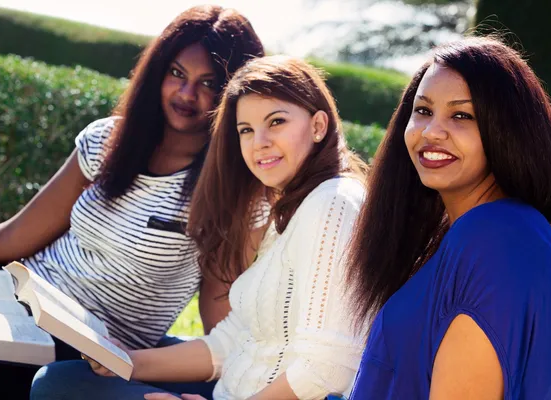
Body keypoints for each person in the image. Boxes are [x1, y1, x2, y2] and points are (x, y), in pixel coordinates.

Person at [0, 5, 264, 398]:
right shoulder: (106, 139)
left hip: (90, 350)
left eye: (208, 82)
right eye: (176, 73)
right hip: (17, 306)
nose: (187, 93)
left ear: (233, 92)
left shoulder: (234, 189)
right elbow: (18, 234)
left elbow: (219, 308)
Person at [30, 55, 368, 400]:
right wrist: (128, 361)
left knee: (59, 387)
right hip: (229, 388)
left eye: (276, 122)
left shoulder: (333, 203)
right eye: (246, 130)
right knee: (67, 380)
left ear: (318, 126)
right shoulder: (292, 208)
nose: (259, 142)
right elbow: (232, 341)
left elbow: (327, 366)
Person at [346, 36, 551, 399]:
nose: (431, 132)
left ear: (506, 131)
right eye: (423, 111)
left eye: (462, 115)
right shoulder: (461, 235)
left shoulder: (497, 238)